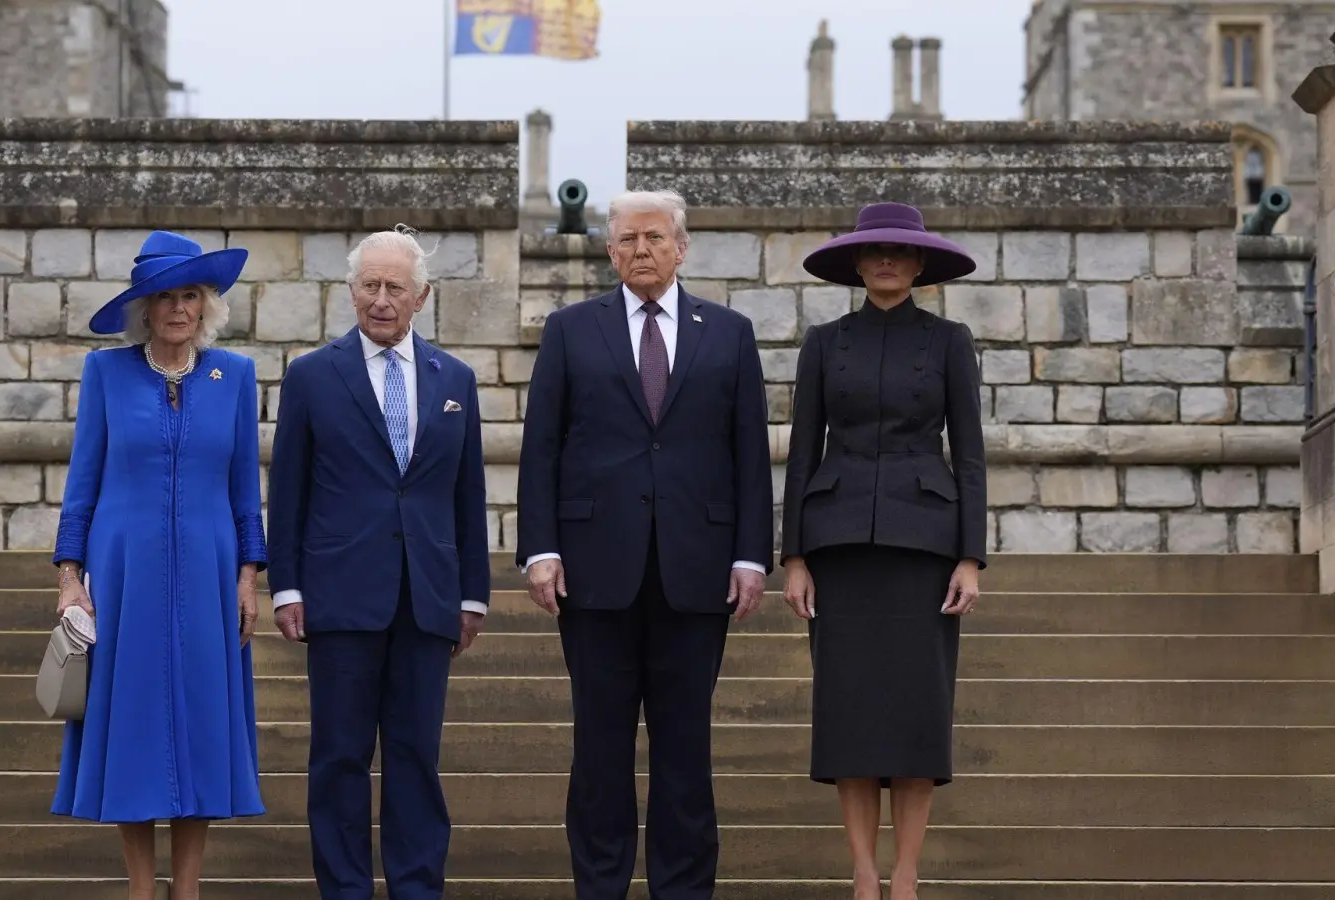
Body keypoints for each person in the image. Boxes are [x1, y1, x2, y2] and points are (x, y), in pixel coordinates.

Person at [515, 189, 774, 900]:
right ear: (609, 251)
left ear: (681, 247)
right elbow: (541, 447)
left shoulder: (728, 332)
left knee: (685, 750)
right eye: (626, 239)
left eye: (654, 238)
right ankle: (600, 887)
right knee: (599, 750)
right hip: (595, 574)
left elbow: (749, 451)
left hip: (697, 572)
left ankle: (683, 889)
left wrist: (752, 555)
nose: (640, 251)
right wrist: (540, 548)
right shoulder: (572, 329)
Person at [265, 226, 490, 900]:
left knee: (417, 757)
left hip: (427, 598)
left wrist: (472, 594)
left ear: (422, 296)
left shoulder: (455, 379)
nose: (382, 299)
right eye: (370, 285)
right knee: (338, 757)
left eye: (396, 287)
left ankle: (418, 886)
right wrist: (286, 586)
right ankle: (344, 889)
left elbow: (466, 492)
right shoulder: (311, 375)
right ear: (351, 290)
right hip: (339, 596)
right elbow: (290, 488)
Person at [779, 202, 988, 900]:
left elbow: (971, 455)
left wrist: (970, 557)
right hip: (839, 548)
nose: (888, 262)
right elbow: (803, 451)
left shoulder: (951, 341)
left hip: (925, 548)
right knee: (852, 717)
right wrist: (795, 557)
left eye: (901, 252)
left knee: (916, 715)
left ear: (921, 264)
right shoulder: (824, 342)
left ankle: (906, 876)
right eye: (875, 252)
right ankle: (865, 875)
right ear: (857, 264)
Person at [50, 230, 267, 900]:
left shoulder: (235, 377)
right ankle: (142, 889)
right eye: (165, 297)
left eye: (191, 296)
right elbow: (83, 480)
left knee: (202, 721)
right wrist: (68, 578)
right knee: (135, 723)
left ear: (206, 306)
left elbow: (243, 488)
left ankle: (188, 890)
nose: (179, 309)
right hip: (123, 573)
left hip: (209, 571)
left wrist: (248, 574)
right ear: (144, 308)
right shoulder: (105, 375)